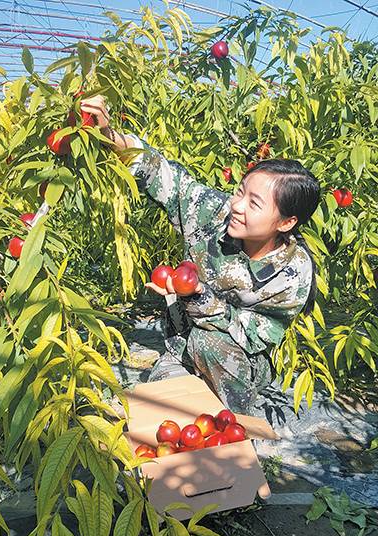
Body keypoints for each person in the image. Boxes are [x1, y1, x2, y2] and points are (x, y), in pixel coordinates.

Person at [81, 95, 320, 421]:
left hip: (237, 360)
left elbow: (251, 336)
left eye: (255, 203)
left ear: (286, 222)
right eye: (240, 192)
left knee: (214, 377)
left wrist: (195, 296)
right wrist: (112, 137)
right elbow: (165, 177)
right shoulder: (217, 213)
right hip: (181, 345)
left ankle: (236, 430)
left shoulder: (292, 272)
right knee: (166, 419)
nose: (237, 205)